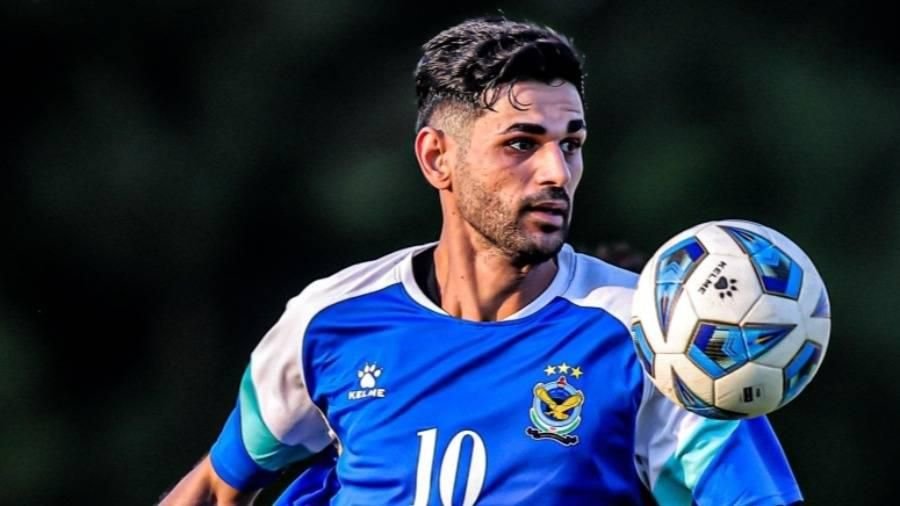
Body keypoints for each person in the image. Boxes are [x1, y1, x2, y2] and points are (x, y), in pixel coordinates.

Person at [160, 16, 803, 505]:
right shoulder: (328, 322)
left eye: (571, 144)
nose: (557, 173)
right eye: (522, 143)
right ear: (437, 157)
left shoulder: (654, 338)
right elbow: (216, 488)